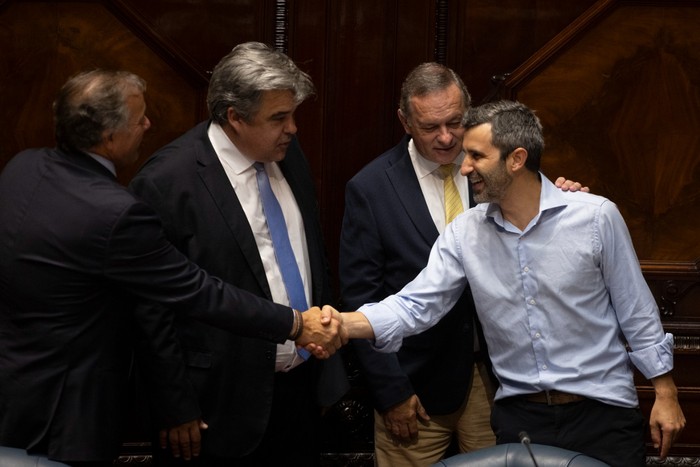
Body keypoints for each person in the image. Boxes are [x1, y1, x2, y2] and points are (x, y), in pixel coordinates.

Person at [0, 69, 343, 467]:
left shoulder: (22, 167)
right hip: (64, 420)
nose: (148, 124)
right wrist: (296, 325)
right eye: (139, 119)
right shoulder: (118, 212)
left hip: (14, 400)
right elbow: (196, 291)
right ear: (109, 137)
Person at [336, 100, 686, 467]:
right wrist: (342, 324)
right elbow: (415, 306)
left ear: (516, 159)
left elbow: (636, 311)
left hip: (604, 415)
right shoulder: (463, 233)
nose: (464, 166)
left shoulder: (596, 217)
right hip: (520, 422)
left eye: (475, 155)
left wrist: (665, 391)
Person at [340, 63, 586, 466]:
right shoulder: (371, 188)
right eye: (429, 126)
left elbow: (540, 232)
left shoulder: (501, 171)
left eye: (455, 122)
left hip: (496, 380)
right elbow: (361, 296)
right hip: (414, 387)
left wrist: (564, 198)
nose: (446, 137)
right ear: (404, 120)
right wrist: (391, 391)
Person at [128, 42, 348, 467]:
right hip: (218, 405)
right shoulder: (167, 182)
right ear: (234, 117)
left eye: (293, 115)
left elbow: (310, 252)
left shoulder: (286, 152)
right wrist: (176, 406)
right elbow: (149, 310)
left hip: (301, 388)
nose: (294, 128)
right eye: (279, 117)